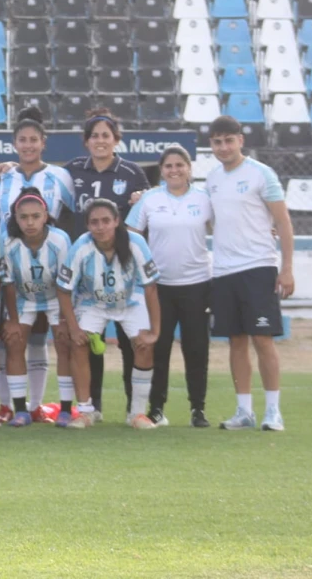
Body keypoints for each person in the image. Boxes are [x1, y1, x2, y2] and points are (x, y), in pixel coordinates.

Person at [205, 115, 294, 432]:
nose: (223, 147)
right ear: (211, 145)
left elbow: (282, 222)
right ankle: (244, 411)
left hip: (258, 266)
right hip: (224, 270)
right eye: (217, 141)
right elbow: (212, 221)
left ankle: (273, 411)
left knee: (263, 339)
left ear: (240, 140)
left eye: (229, 140)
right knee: (236, 341)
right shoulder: (212, 179)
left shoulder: (261, 173)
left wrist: (286, 268)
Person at [63, 108, 149, 422]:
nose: (100, 140)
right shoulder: (71, 170)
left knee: (131, 342)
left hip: (123, 270)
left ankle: (134, 410)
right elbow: (47, 192)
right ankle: (92, 407)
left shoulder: (132, 173)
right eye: (95, 135)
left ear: (116, 140)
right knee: (90, 340)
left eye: (106, 135)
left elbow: (147, 216)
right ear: (86, 141)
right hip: (86, 268)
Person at [126, 145, 213, 428]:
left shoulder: (204, 199)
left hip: (198, 283)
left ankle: (197, 409)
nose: (174, 170)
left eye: (180, 165)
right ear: (161, 171)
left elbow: (226, 227)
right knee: (159, 347)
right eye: (168, 166)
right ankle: (156, 408)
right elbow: (131, 234)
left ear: (189, 168)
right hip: (158, 286)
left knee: (196, 348)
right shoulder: (150, 199)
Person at [0, 107, 75, 420]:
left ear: (43, 143)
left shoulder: (60, 176)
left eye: (33, 140)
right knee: (11, 338)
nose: (28, 145)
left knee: (44, 337)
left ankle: (37, 406)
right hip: (11, 266)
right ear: (15, 144)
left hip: (49, 265)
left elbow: (77, 212)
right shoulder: (4, 176)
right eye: (22, 140)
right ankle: (8, 405)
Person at [57, 199, 161, 430]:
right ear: (87, 225)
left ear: (116, 221)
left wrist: (155, 330)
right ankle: (85, 411)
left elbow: (151, 286)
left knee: (144, 345)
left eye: (106, 220)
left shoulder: (136, 242)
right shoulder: (81, 247)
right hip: (92, 302)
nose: (100, 227)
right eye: (94, 222)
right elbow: (63, 289)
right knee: (79, 344)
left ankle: (136, 414)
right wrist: (73, 327)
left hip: (130, 300)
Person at [2, 189, 73, 427]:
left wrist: (63, 319)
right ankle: (21, 410)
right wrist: (12, 320)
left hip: (56, 298)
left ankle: (64, 410)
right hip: (25, 299)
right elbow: (9, 285)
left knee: (64, 343)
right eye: (24, 217)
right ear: (16, 218)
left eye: (35, 216)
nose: (30, 222)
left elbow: (65, 284)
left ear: (45, 216)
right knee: (14, 342)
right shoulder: (9, 244)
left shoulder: (60, 240)